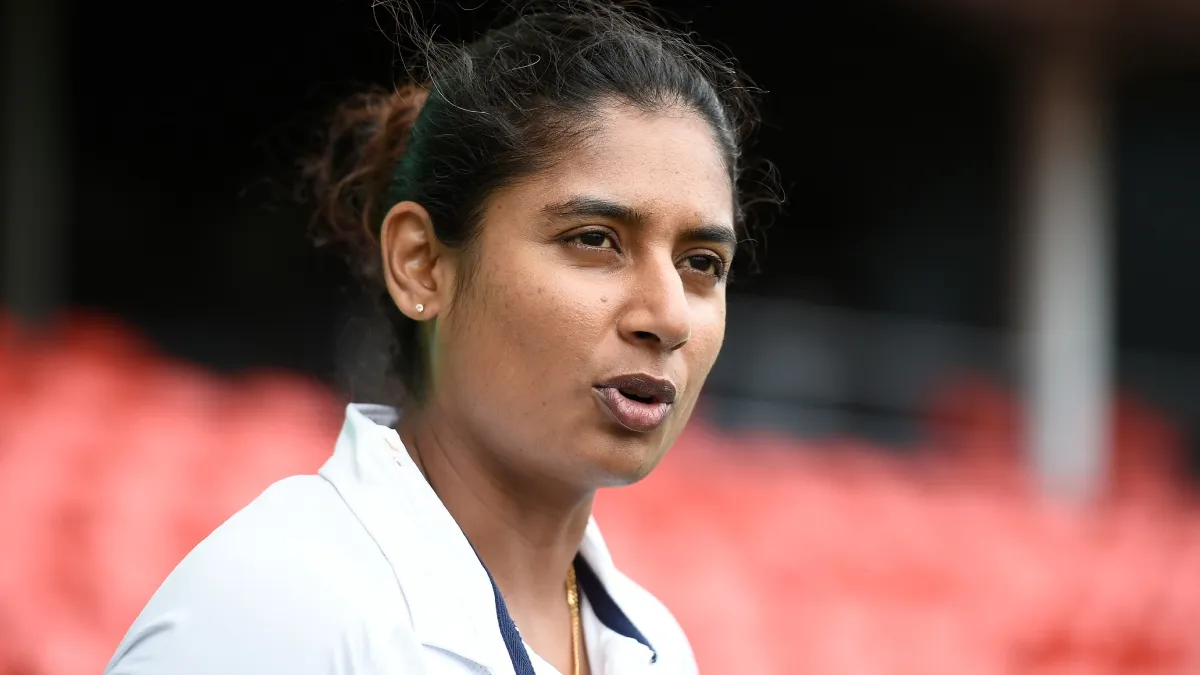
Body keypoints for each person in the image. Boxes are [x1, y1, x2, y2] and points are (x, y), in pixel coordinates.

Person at [105, 2, 767, 673]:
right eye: (595, 240)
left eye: (701, 263)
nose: (670, 316)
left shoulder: (657, 647)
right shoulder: (272, 613)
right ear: (420, 263)